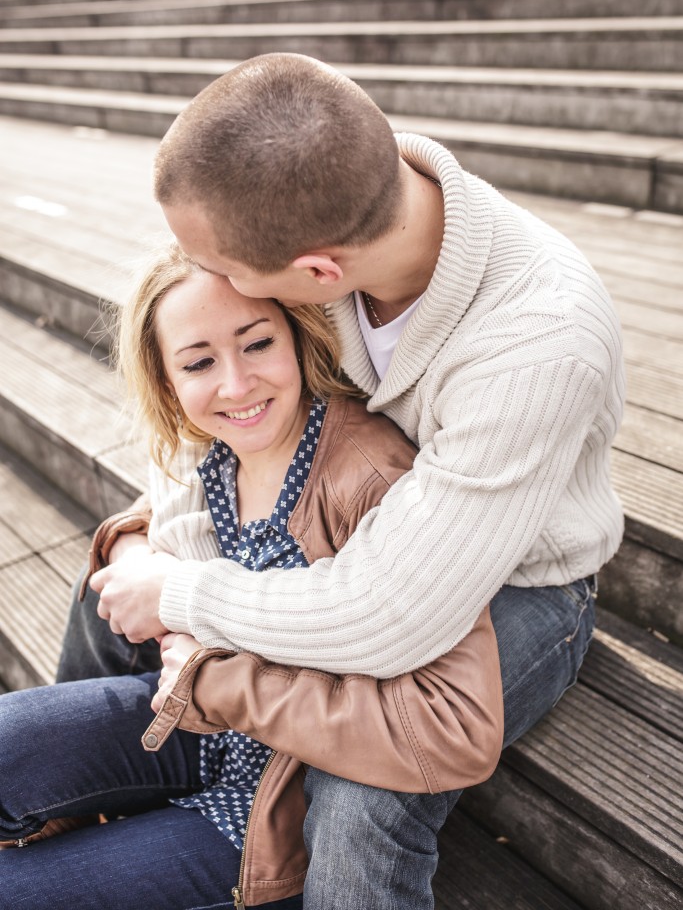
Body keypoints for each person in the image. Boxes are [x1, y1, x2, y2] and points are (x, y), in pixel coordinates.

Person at [58, 52, 625, 908]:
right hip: (330, 506)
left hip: (511, 580)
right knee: (107, 583)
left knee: (363, 793)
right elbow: (192, 382)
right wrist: (163, 555)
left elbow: (386, 614)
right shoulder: (328, 189)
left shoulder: (539, 343)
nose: (203, 275)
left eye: (223, 269)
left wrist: (182, 598)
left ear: (317, 279)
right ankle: (96, 810)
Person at [0, 244, 503, 910]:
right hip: (192, 724)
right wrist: (129, 550)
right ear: (167, 381)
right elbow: (153, 519)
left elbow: (449, 727)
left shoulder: (373, 478)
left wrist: (219, 682)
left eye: (256, 343)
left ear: (298, 336)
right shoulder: (211, 449)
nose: (235, 385)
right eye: (200, 362)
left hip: (269, 808)